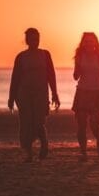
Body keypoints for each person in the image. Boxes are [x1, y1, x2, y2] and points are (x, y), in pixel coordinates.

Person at [8, 28, 60, 162]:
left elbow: (51, 75)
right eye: (31, 39)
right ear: (26, 41)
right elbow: (15, 78)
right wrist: (11, 97)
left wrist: (55, 93)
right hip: (24, 94)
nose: (34, 42)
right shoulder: (21, 57)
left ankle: (44, 143)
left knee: (39, 122)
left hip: (40, 94)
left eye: (36, 39)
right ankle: (29, 153)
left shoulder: (45, 55)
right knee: (26, 124)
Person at [72, 32, 99, 161]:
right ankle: (83, 152)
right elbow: (76, 76)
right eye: (86, 41)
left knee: (94, 123)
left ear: (95, 43)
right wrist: (77, 68)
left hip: (97, 92)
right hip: (82, 92)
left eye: (91, 41)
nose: (89, 43)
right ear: (83, 43)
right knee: (81, 124)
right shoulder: (79, 55)